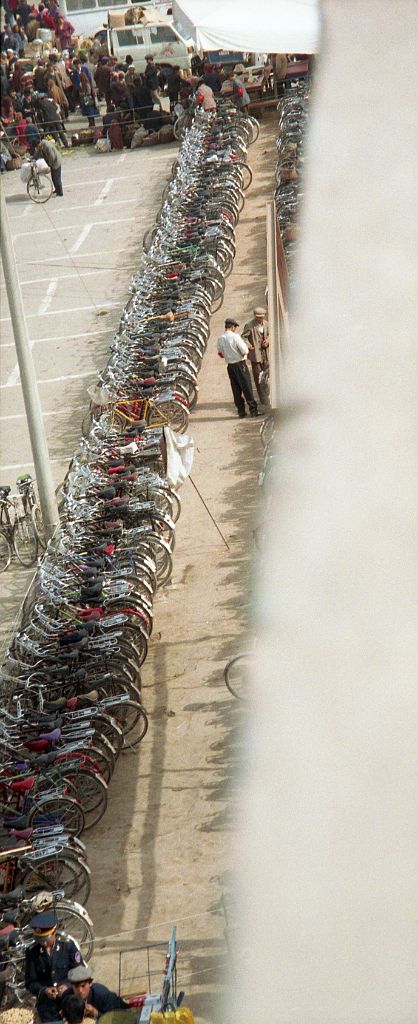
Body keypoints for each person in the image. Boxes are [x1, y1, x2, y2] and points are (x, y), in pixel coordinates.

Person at [24, 912, 84, 1021]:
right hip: (48, 1006)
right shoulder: (32, 952)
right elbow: (30, 983)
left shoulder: (67, 945)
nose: (44, 944)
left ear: (54, 932)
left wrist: (68, 985)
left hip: (69, 999)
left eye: (46, 939)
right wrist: (45, 990)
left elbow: (80, 971)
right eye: (40, 940)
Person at [217, 317, 258, 418]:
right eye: (235, 327)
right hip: (240, 364)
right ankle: (253, 411)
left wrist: (229, 355)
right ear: (232, 326)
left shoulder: (220, 339)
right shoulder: (235, 337)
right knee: (247, 387)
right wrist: (247, 348)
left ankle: (241, 412)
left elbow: (220, 354)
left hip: (230, 366)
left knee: (236, 390)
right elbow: (245, 351)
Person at [241, 306, 270, 405]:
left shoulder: (267, 324)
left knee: (267, 376)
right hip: (256, 356)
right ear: (255, 316)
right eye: (258, 317)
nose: (260, 319)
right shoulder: (249, 325)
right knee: (258, 378)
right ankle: (263, 398)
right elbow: (243, 337)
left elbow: (271, 334)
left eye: (261, 317)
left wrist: (268, 340)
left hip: (266, 354)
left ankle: (268, 395)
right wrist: (248, 344)